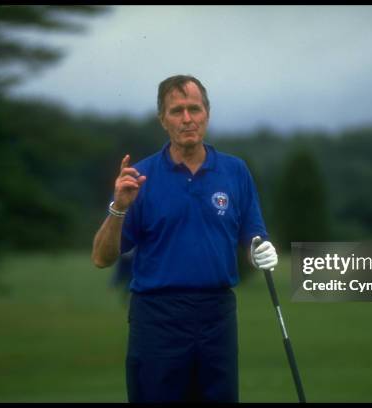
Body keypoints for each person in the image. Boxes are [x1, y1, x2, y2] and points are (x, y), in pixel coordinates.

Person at [91, 74, 278, 403]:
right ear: (162, 119)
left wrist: (261, 251)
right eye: (177, 111)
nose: (187, 119)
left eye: (195, 108)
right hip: (157, 317)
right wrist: (119, 208)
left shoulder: (235, 172)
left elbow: (253, 238)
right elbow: (102, 258)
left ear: (207, 112)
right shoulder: (140, 178)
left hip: (216, 315)